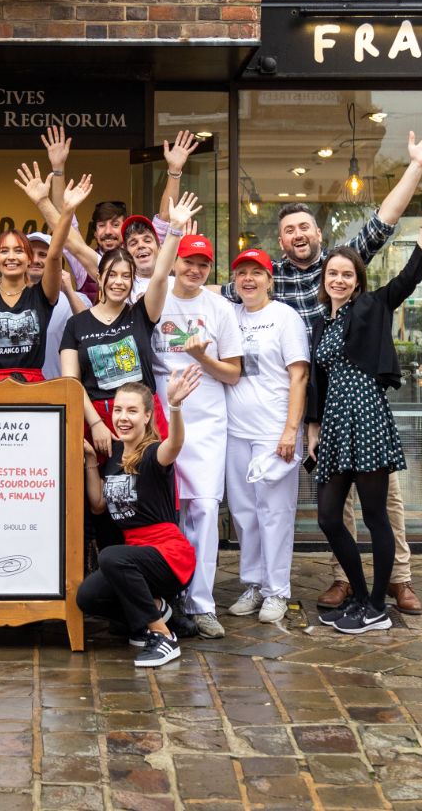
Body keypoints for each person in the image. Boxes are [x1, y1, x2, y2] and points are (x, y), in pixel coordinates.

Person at [220, 122, 422, 617]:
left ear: (319, 235)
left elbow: (385, 221)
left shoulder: (340, 264)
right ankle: (347, 578)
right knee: (332, 498)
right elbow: (198, 296)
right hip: (303, 404)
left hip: (356, 403)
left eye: (305, 227)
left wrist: (416, 166)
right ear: (280, 240)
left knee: (383, 498)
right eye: (289, 230)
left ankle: (399, 579)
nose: (298, 235)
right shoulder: (267, 277)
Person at [307, 197, 422, 635]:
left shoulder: (371, 307)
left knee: (375, 517)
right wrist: (313, 429)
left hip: (366, 418)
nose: (339, 280)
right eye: (333, 273)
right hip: (335, 424)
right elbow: (317, 383)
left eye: (347, 274)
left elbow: (405, 282)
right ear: (324, 278)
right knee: (329, 516)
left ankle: (374, 606)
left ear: (357, 280)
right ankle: (358, 590)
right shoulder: (320, 324)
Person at [78, 369, 202, 668]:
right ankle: (157, 610)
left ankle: (162, 636)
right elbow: (97, 506)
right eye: (118, 410)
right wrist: (92, 462)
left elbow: (175, 445)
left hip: (168, 555)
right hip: (135, 558)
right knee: (88, 597)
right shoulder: (114, 458)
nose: (123, 417)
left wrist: (174, 406)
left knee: (111, 556)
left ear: (147, 416)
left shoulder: (153, 454)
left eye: (132, 411)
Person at [59, 191, 202, 449]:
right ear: (99, 277)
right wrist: (94, 423)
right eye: (112, 275)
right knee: (101, 488)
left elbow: (159, 277)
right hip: (99, 419)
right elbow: (71, 383)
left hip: (147, 414)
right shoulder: (77, 324)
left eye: (126, 276)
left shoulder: (141, 313)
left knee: (152, 483)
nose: (119, 282)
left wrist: (176, 230)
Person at [153, 232, 243, 639]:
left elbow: (233, 372)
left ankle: (201, 603)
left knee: (205, 510)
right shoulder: (154, 299)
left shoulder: (220, 307)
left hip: (207, 422)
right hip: (161, 417)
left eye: (203, 264)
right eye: (188, 261)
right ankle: (164, 600)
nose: (195, 269)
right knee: (164, 513)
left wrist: (201, 357)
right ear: (174, 262)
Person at [223, 247, 309, 625]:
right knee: (244, 514)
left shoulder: (285, 318)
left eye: (256, 273)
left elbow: (299, 376)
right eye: (242, 273)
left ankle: (277, 591)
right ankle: (254, 584)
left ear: (270, 279)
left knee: (274, 512)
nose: (248, 279)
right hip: (235, 431)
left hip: (274, 432)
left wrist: (291, 429)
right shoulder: (229, 315)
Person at [0, 172, 91, 382]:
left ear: (28, 259)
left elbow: (53, 256)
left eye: (18, 251)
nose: (11, 257)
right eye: (4, 251)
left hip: (33, 388)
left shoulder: (41, 295)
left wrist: (67, 211)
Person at [32, 126, 200, 300]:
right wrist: (56, 172)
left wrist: (174, 171)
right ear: (95, 233)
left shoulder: (167, 279)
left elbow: (166, 216)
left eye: (115, 224)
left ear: (160, 247)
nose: (108, 231)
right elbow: (65, 229)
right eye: (102, 226)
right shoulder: (105, 268)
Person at [23, 231, 88, 379]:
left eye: (43, 255)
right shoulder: (11, 299)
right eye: (30, 254)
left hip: (62, 390)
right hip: (22, 390)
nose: (35, 259)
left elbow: (92, 333)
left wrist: (69, 292)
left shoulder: (76, 298)